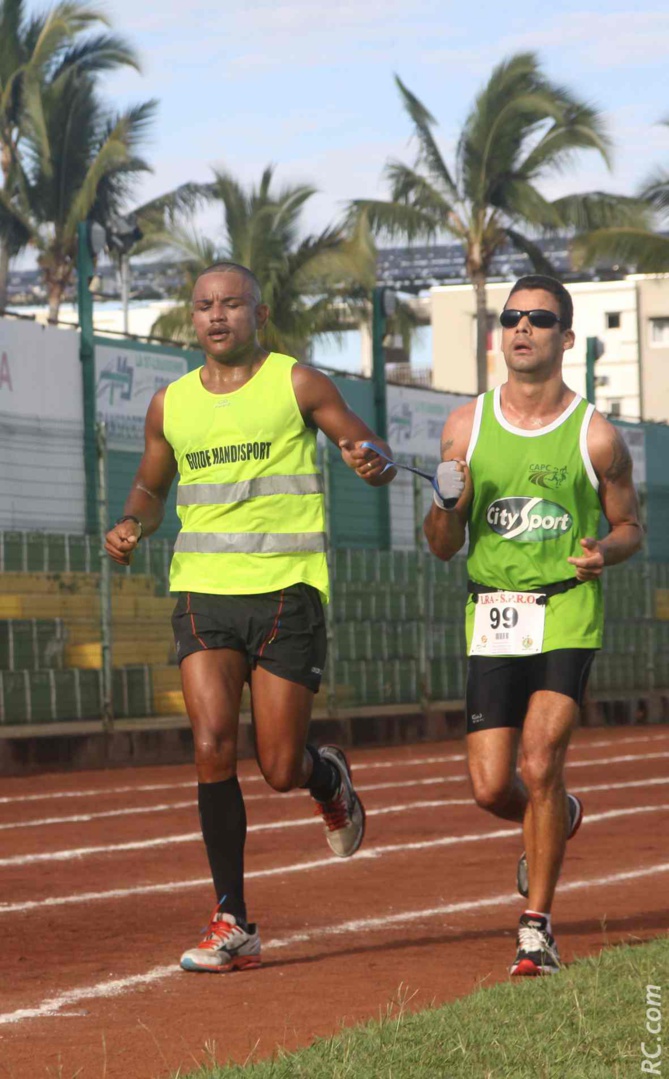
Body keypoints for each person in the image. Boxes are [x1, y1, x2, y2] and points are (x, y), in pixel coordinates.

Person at [105, 262, 395, 973]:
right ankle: (231, 916)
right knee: (209, 743)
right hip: (203, 591)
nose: (216, 315)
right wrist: (131, 523)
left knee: (276, 767)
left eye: (231, 303)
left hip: (284, 593)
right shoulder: (169, 403)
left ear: (257, 314)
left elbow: (365, 443)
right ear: (191, 317)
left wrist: (373, 461)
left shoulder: (297, 382)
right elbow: (150, 482)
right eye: (204, 305)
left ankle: (325, 778)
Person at [424, 274, 642, 976]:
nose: (521, 327)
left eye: (539, 319)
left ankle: (535, 927)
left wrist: (601, 552)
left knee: (539, 759)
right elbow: (439, 543)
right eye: (512, 316)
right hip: (492, 612)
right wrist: (446, 499)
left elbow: (630, 526)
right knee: (492, 786)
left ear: (565, 338)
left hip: (564, 609)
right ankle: (556, 815)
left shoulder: (595, 435)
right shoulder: (464, 426)